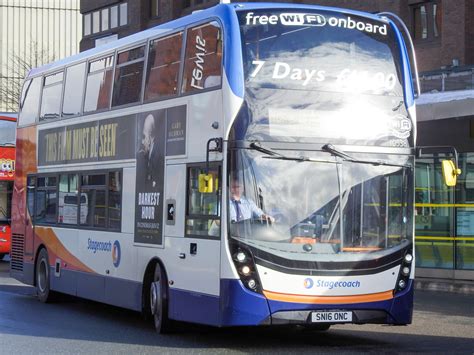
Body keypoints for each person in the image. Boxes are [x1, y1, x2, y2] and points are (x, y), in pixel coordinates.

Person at [138, 114, 159, 188]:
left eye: (144, 136)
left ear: (150, 135)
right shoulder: (145, 153)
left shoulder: (157, 152)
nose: (142, 141)